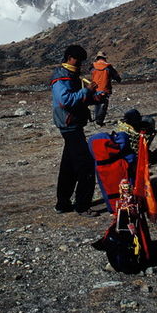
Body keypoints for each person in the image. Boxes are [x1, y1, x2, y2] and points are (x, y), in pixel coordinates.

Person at [51, 44, 105, 217]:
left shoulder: (71, 76)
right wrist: (86, 91)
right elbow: (65, 101)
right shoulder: (62, 78)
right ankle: (82, 205)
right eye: (77, 60)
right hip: (70, 125)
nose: (80, 64)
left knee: (69, 166)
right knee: (86, 164)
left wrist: (94, 98)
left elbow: (77, 100)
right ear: (69, 58)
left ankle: (62, 203)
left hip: (73, 124)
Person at [90, 51, 122, 126]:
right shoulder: (108, 66)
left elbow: (91, 72)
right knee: (103, 104)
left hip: (94, 88)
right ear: (104, 58)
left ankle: (96, 119)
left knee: (97, 103)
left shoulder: (93, 66)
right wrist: (118, 80)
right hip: (105, 88)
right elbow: (116, 76)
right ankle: (99, 121)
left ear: (97, 58)